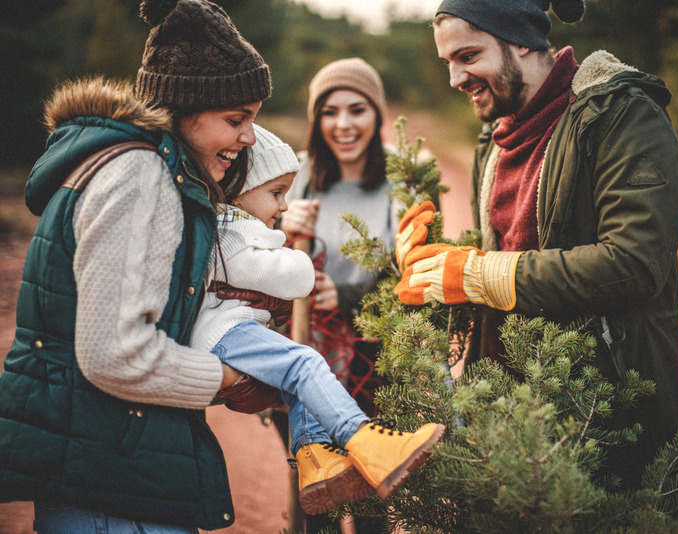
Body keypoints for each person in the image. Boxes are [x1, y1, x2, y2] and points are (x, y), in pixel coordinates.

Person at [395, 0, 678, 522]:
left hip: (603, 414)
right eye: (447, 62)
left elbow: (636, 264)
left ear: (523, 40)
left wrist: (479, 274)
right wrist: (433, 259)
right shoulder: (497, 136)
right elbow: (513, 248)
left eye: (468, 55)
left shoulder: (622, 115)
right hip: (508, 418)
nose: (455, 78)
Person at [0, 0, 281, 531]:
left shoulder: (143, 168)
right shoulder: (138, 175)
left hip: (106, 466)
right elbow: (114, 354)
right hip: (109, 483)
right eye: (236, 119)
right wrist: (230, 379)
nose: (248, 138)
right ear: (183, 108)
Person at [190, 124, 445, 516]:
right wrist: (292, 246)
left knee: (298, 384)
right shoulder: (232, 230)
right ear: (240, 192)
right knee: (306, 363)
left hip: (230, 331)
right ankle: (366, 442)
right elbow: (295, 277)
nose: (284, 207)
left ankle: (315, 460)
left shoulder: (235, 226)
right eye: (275, 194)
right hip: (225, 334)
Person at [282, 57, 398, 417]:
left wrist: (345, 296)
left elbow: (416, 277)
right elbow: (246, 255)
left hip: (374, 357)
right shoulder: (293, 175)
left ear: (377, 114)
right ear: (317, 120)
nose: (343, 125)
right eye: (330, 112)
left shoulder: (404, 178)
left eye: (357, 110)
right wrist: (280, 225)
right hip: (302, 347)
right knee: (307, 463)